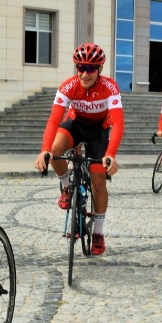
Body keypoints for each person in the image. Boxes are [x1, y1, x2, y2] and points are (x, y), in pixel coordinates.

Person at [33, 43, 124, 256]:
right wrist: (45, 149)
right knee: (55, 150)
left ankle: (98, 233)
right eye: (80, 67)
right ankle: (66, 186)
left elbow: (118, 123)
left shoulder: (110, 87)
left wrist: (110, 154)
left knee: (99, 181)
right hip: (75, 124)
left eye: (90, 69)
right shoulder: (68, 86)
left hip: (98, 131)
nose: (84, 73)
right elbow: (55, 119)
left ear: (100, 69)